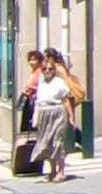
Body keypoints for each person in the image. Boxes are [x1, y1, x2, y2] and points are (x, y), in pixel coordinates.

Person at [31, 52, 80, 183]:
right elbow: (38, 102)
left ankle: (61, 171)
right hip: (44, 113)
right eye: (45, 69)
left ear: (54, 70)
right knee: (46, 143)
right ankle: (52, 170)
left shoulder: (59, 83)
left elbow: (66, 101)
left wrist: (71, 118)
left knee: (57, 142)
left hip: (57, 112)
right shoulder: (41, 83)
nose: (47, 71)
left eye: (50, 69)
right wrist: (35, 117)